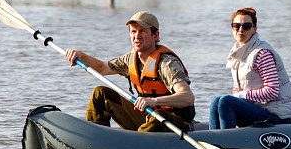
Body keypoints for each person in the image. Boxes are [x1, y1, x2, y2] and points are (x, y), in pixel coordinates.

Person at [65, 11, 196, 133]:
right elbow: (100, 68)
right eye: (133, 31)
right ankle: (96, 137)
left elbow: (188, 98)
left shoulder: (167, 63)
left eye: (142, 31)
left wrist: (153, 101)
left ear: (155, 35)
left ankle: (134, 146)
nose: (137, 36)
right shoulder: (130, 59)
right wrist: (81, 56)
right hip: (147, 118)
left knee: (158, 115)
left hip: (174, 123)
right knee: (100, 93)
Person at [209, 7, 291, 129]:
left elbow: (273, 91)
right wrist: (239, 96)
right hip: (257, 108)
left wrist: (242, 96)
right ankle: (213, 139)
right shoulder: (239, 53)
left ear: (254, 29)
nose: (240, 30)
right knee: (216, 101)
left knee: (226, 102)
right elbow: (237, 89)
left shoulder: (262, 54)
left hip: (276, 116)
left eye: (246, 26)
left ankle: (228, 142)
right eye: (236, 26)